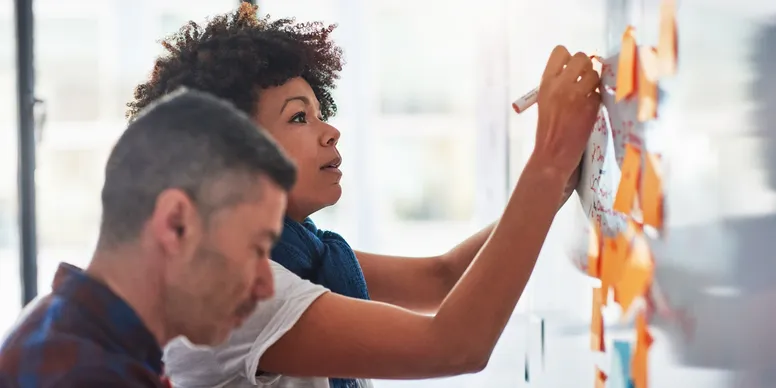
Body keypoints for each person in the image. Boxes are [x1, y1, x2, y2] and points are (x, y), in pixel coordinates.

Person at [127, 4, 599, 388]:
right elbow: (454, 345)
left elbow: (443, 278)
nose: (330, 132)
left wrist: (554, 185)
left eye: (318, 112)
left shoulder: (299, 255)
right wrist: (548, 159)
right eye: (299, 118)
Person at [0, 89, 297, 387]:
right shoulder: (88, 375)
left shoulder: (69, 335)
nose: (266, 287)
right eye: (256, 249)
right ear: (175, 224)